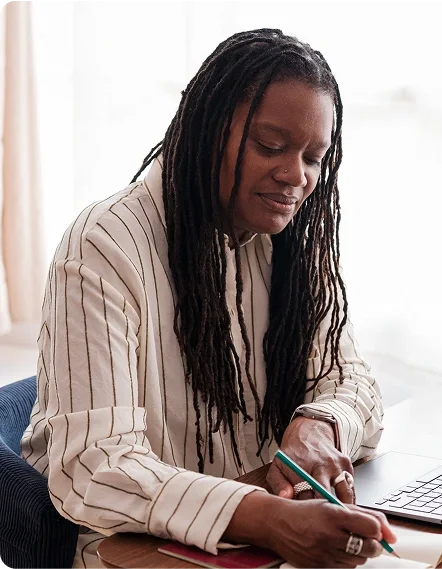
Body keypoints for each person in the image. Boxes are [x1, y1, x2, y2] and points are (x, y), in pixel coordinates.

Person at [21, 28, 395, 569]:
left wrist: (320, 423)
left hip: (260, 543)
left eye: (314, 157)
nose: (296, 176)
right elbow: (94, 466)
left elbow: (353, 379)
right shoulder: (105, 244)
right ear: (207, 131)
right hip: (141, 555)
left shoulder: (288, 242)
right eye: (271, 146)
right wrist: (268, 518)